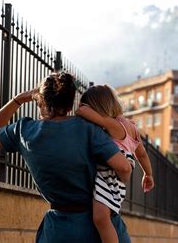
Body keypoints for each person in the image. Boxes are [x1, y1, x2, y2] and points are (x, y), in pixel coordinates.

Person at [0, 72, 132, 243]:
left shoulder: (24, 131)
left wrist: (20, 99)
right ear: (70, 105)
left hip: (59, 231)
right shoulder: (88, 128)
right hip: (101, 228)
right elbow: (124, 168)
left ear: (41, 99)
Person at [76, 84, 154, 243]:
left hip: (110, 173)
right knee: (104, 216)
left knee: (101, 218)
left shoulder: (113, 124)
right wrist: (148, 174)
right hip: (116, 174)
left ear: (98, 107)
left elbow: (85, 113)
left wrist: (81, 108)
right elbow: (142, 155)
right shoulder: (132, 127)